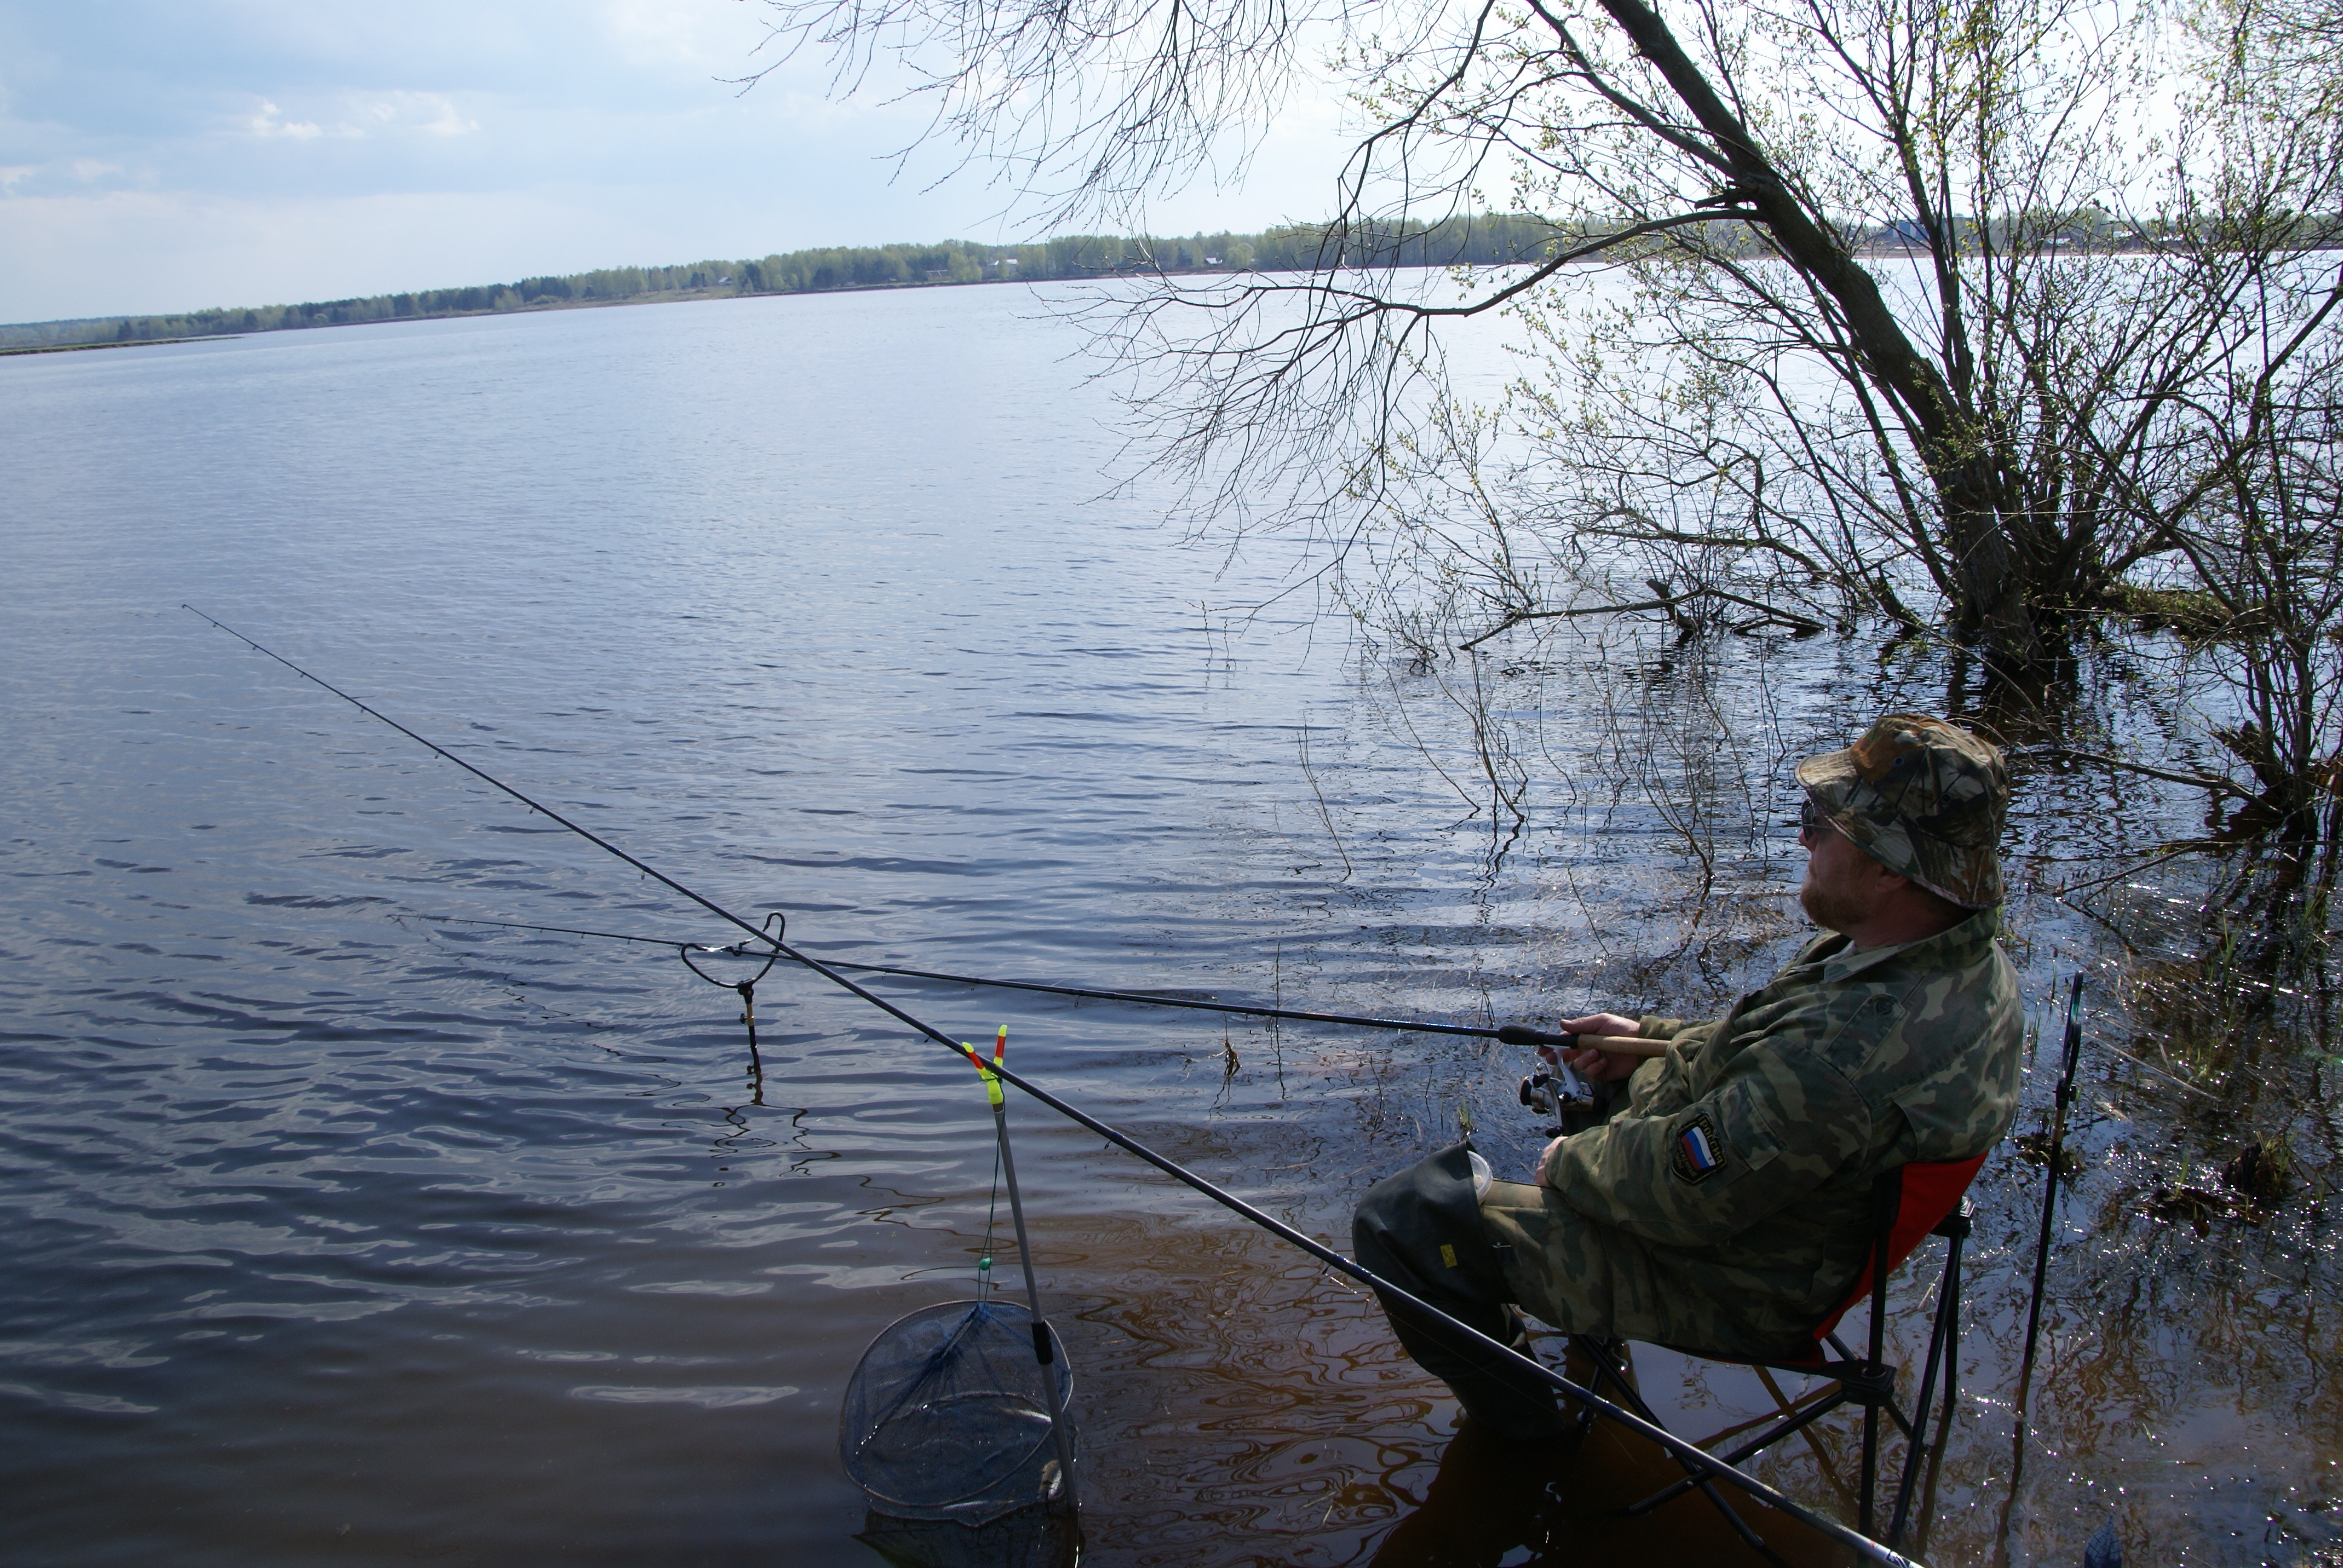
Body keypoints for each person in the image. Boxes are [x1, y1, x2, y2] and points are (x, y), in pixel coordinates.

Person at [1352, 713, 2026, 1440]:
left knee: (1404, 1225)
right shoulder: (1945, 959)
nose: (1803, 837)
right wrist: (1646, 1040)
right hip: (1796, 1222)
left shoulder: (1844, 1053)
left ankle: (1525, 1445)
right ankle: (1585, 1351)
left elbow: (1685, 1194)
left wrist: (1570, 1163)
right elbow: (1766, 1053)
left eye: (1820, 822)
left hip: (1737, 1285)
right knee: (1610, 1095)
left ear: (1890, 865)